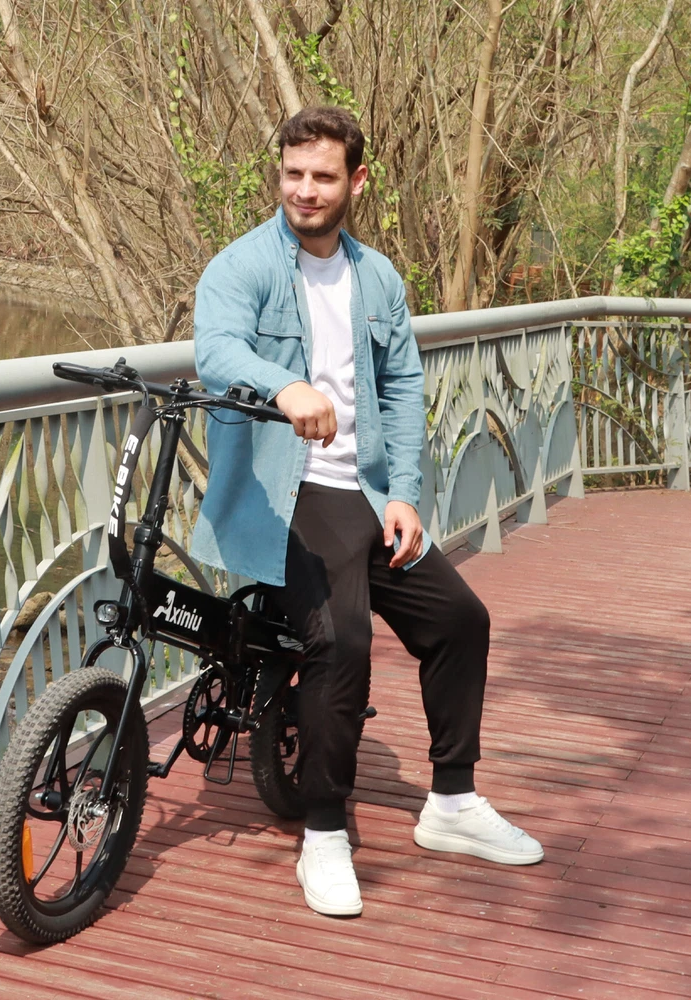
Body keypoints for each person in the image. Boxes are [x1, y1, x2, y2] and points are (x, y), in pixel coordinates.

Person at [190, 106, 543, 918]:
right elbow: (217, 349)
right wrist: (285, 385)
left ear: (357, 180)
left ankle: (452, 801)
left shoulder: (377, 276)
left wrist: (406, 494)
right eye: (292, 174)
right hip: (291, 492)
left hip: (369, 492)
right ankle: (323, 835)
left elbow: (404, 386)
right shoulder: (242, 266)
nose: (304, 190)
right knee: (340, 639)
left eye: (322, 176)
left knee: (460, 620)